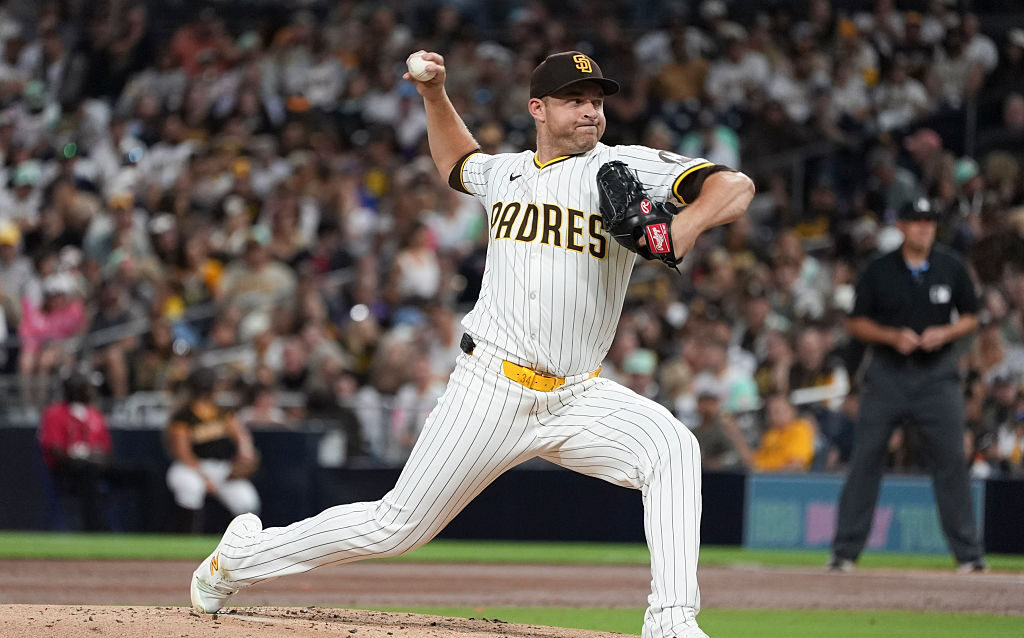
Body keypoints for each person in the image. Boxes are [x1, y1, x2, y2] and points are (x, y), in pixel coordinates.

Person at [189, 50, 753, 638]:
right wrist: (433, 95)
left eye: (596, 102)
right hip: (491, 388)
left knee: (674, 451)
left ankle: (670, 622)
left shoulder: (625, 167)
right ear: (538, 108)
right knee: (395, 528)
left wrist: (677, 230)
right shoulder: (505, 173)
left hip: (578, 396)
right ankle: (238, 560)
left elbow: (734, 186)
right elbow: (459, 162)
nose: (590, 112)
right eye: (574, 101)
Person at [828, 197, 987, 573]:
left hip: (937, 374)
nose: (924, 228)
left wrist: (944, 332)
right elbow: (856, 322)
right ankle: (844, 552)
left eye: (929, 221)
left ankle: (969, 555)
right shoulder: (880, 270)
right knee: (866, 458)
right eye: (916, 221)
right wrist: (891, 336)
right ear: (900, 226)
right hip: (888, 373)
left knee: (951, 461)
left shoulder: (951, 266)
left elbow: (972, 317)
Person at [165, 367, 260, 533]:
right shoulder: (183, 416)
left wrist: (246, 453)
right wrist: (204, 477)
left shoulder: (223, 413)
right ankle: (186, 540)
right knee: (190, 487)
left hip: (220, 469)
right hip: (190, 467)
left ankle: (241, 545)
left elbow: (242, 437)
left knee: (246, 499)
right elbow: (183, 454)